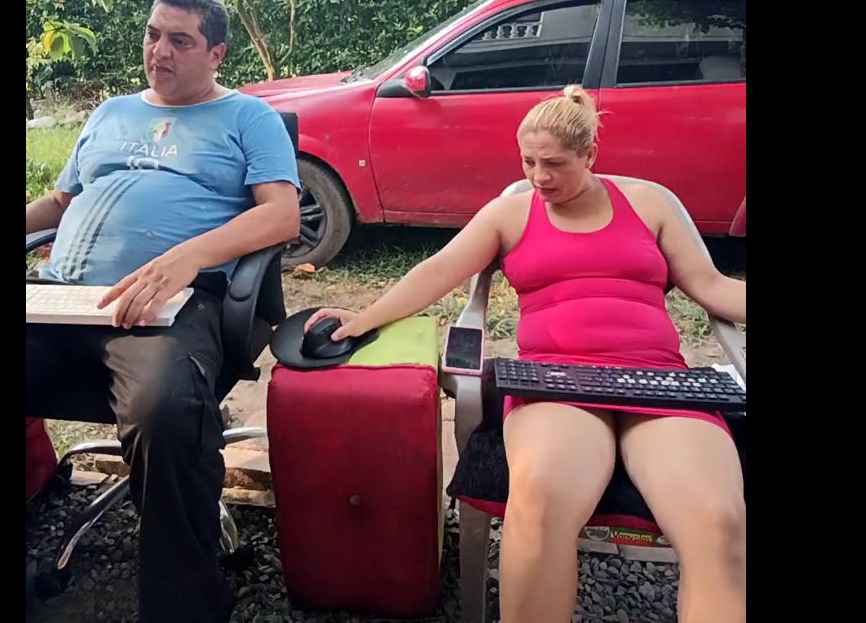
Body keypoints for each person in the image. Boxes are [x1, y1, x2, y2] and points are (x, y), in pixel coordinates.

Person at [306, 85, 746, 623]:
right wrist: (364, 318)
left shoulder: (650, 204)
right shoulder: (509, 215)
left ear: (590, 154)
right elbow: (437, 271)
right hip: (555, 382)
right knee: (538, 505)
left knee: (718, 521)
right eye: (528, 162)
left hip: (655, 380)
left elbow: (713, 286)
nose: (540, 177)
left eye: (555, 164)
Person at [26, 0, 300, 623]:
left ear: (216, 53)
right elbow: (60, 204)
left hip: (167, 306)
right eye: (154, 34)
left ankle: (185, 605)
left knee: (163, 409)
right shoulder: (110, 113)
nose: (160, 51)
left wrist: (190, 256)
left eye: (180, 40)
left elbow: (282, 214)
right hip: (60, 296)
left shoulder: (248, 117)